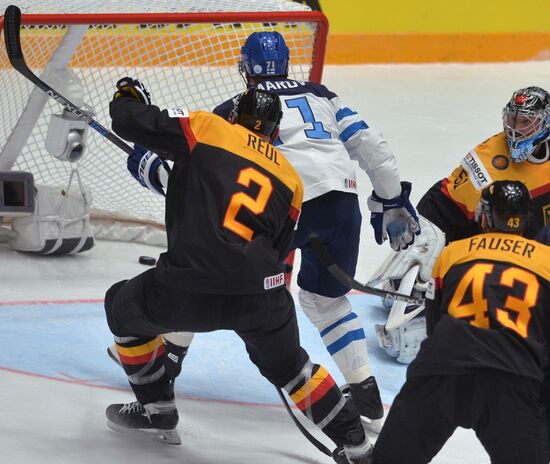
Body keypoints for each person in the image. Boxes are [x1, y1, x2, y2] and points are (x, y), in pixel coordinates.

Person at [121, 31, 421, 430]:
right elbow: (371, 145)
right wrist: (392, 199)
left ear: (245, 68)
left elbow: (206, 173)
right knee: (325, 302)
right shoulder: (321, 94)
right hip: (340, 202)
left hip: (283, 204)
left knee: (215, 271)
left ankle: (168, 364)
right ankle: (363, 390)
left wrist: (156, 170)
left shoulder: (234, 109)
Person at [105, 78, 373, 464]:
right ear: (277, 132)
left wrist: (128, 98)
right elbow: (281, 249)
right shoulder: (290, 178)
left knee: (121, 308)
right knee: (295, 371)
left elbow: (131, 122)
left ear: (235, 116)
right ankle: (357, 447)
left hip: (184, 287)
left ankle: (156, 406)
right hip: (259, 296)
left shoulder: (208, 128)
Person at [372, 180, 550, 464]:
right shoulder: (546, 260)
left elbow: (434, 323)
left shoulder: (454, 253)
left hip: (444, 367)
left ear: (485, 215)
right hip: (513, 375)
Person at [373, 85, 550, 364]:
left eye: (526, 121)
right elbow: (443, 211)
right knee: (409, 334)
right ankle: (411, 289)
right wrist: (429, 269)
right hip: (492, 243)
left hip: (534, 249)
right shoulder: (489, 160)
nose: (516, 129)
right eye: (513, 119)